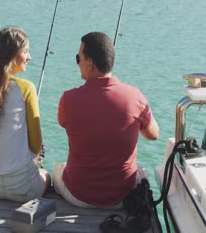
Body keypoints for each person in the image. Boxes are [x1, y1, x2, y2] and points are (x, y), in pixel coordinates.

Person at [53, 31, 159, 208]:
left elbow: (62, 122)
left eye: (78, 59)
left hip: (78, 196)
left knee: (58, 168)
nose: (77, 64)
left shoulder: (68, 99)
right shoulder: (135, 96)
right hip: (122, 198)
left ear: (90, 63)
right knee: (142, 173)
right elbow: (153, 135)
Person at [0, 26, 50, 203]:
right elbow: (36, 143)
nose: (29, 57)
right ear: (11, 55)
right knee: (46, 175)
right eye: (26, 52)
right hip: (22, 189)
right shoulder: (26, 88)